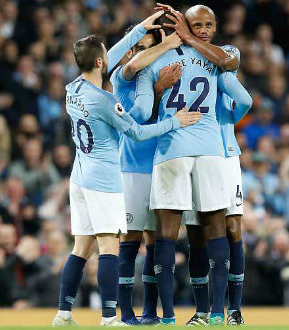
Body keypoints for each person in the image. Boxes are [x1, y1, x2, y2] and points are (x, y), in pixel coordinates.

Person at [51, 31, 201, 326]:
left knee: (81, 248)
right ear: (100, 61)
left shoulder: (73, 88)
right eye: (107, 54)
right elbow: (138, 129)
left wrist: (143, 26)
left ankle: (63, 313)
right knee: (109, 247)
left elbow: (111, 54)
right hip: (105, 179)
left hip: (80, 175)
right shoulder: (108, 97)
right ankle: (110, 317)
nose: (115, 56)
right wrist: (175, 120)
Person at [131, 6, 252, 325]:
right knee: (214, 231)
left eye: (209, 24)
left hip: (173, 148)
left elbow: (141, 109)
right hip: (213, 148)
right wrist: (223, 123)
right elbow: (242, 93)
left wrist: (157, 85)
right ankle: (212, 313)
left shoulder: (158, 60)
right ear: (185, 24)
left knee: (166, 235)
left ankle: (170, 316)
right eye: (196, 25)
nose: (203, 29)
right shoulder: (217, 60)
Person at [111, 21, 183, 325]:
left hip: (163, 165)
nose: (146, 55)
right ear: (131, 50)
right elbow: (140, 119)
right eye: (142, 49)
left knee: (155, 245)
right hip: (132, 167)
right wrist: (163, 48)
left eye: (151, 48)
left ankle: (151, 313)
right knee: (129, 242)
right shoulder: (122, 76)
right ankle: (126, 313)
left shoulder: (172, 75)